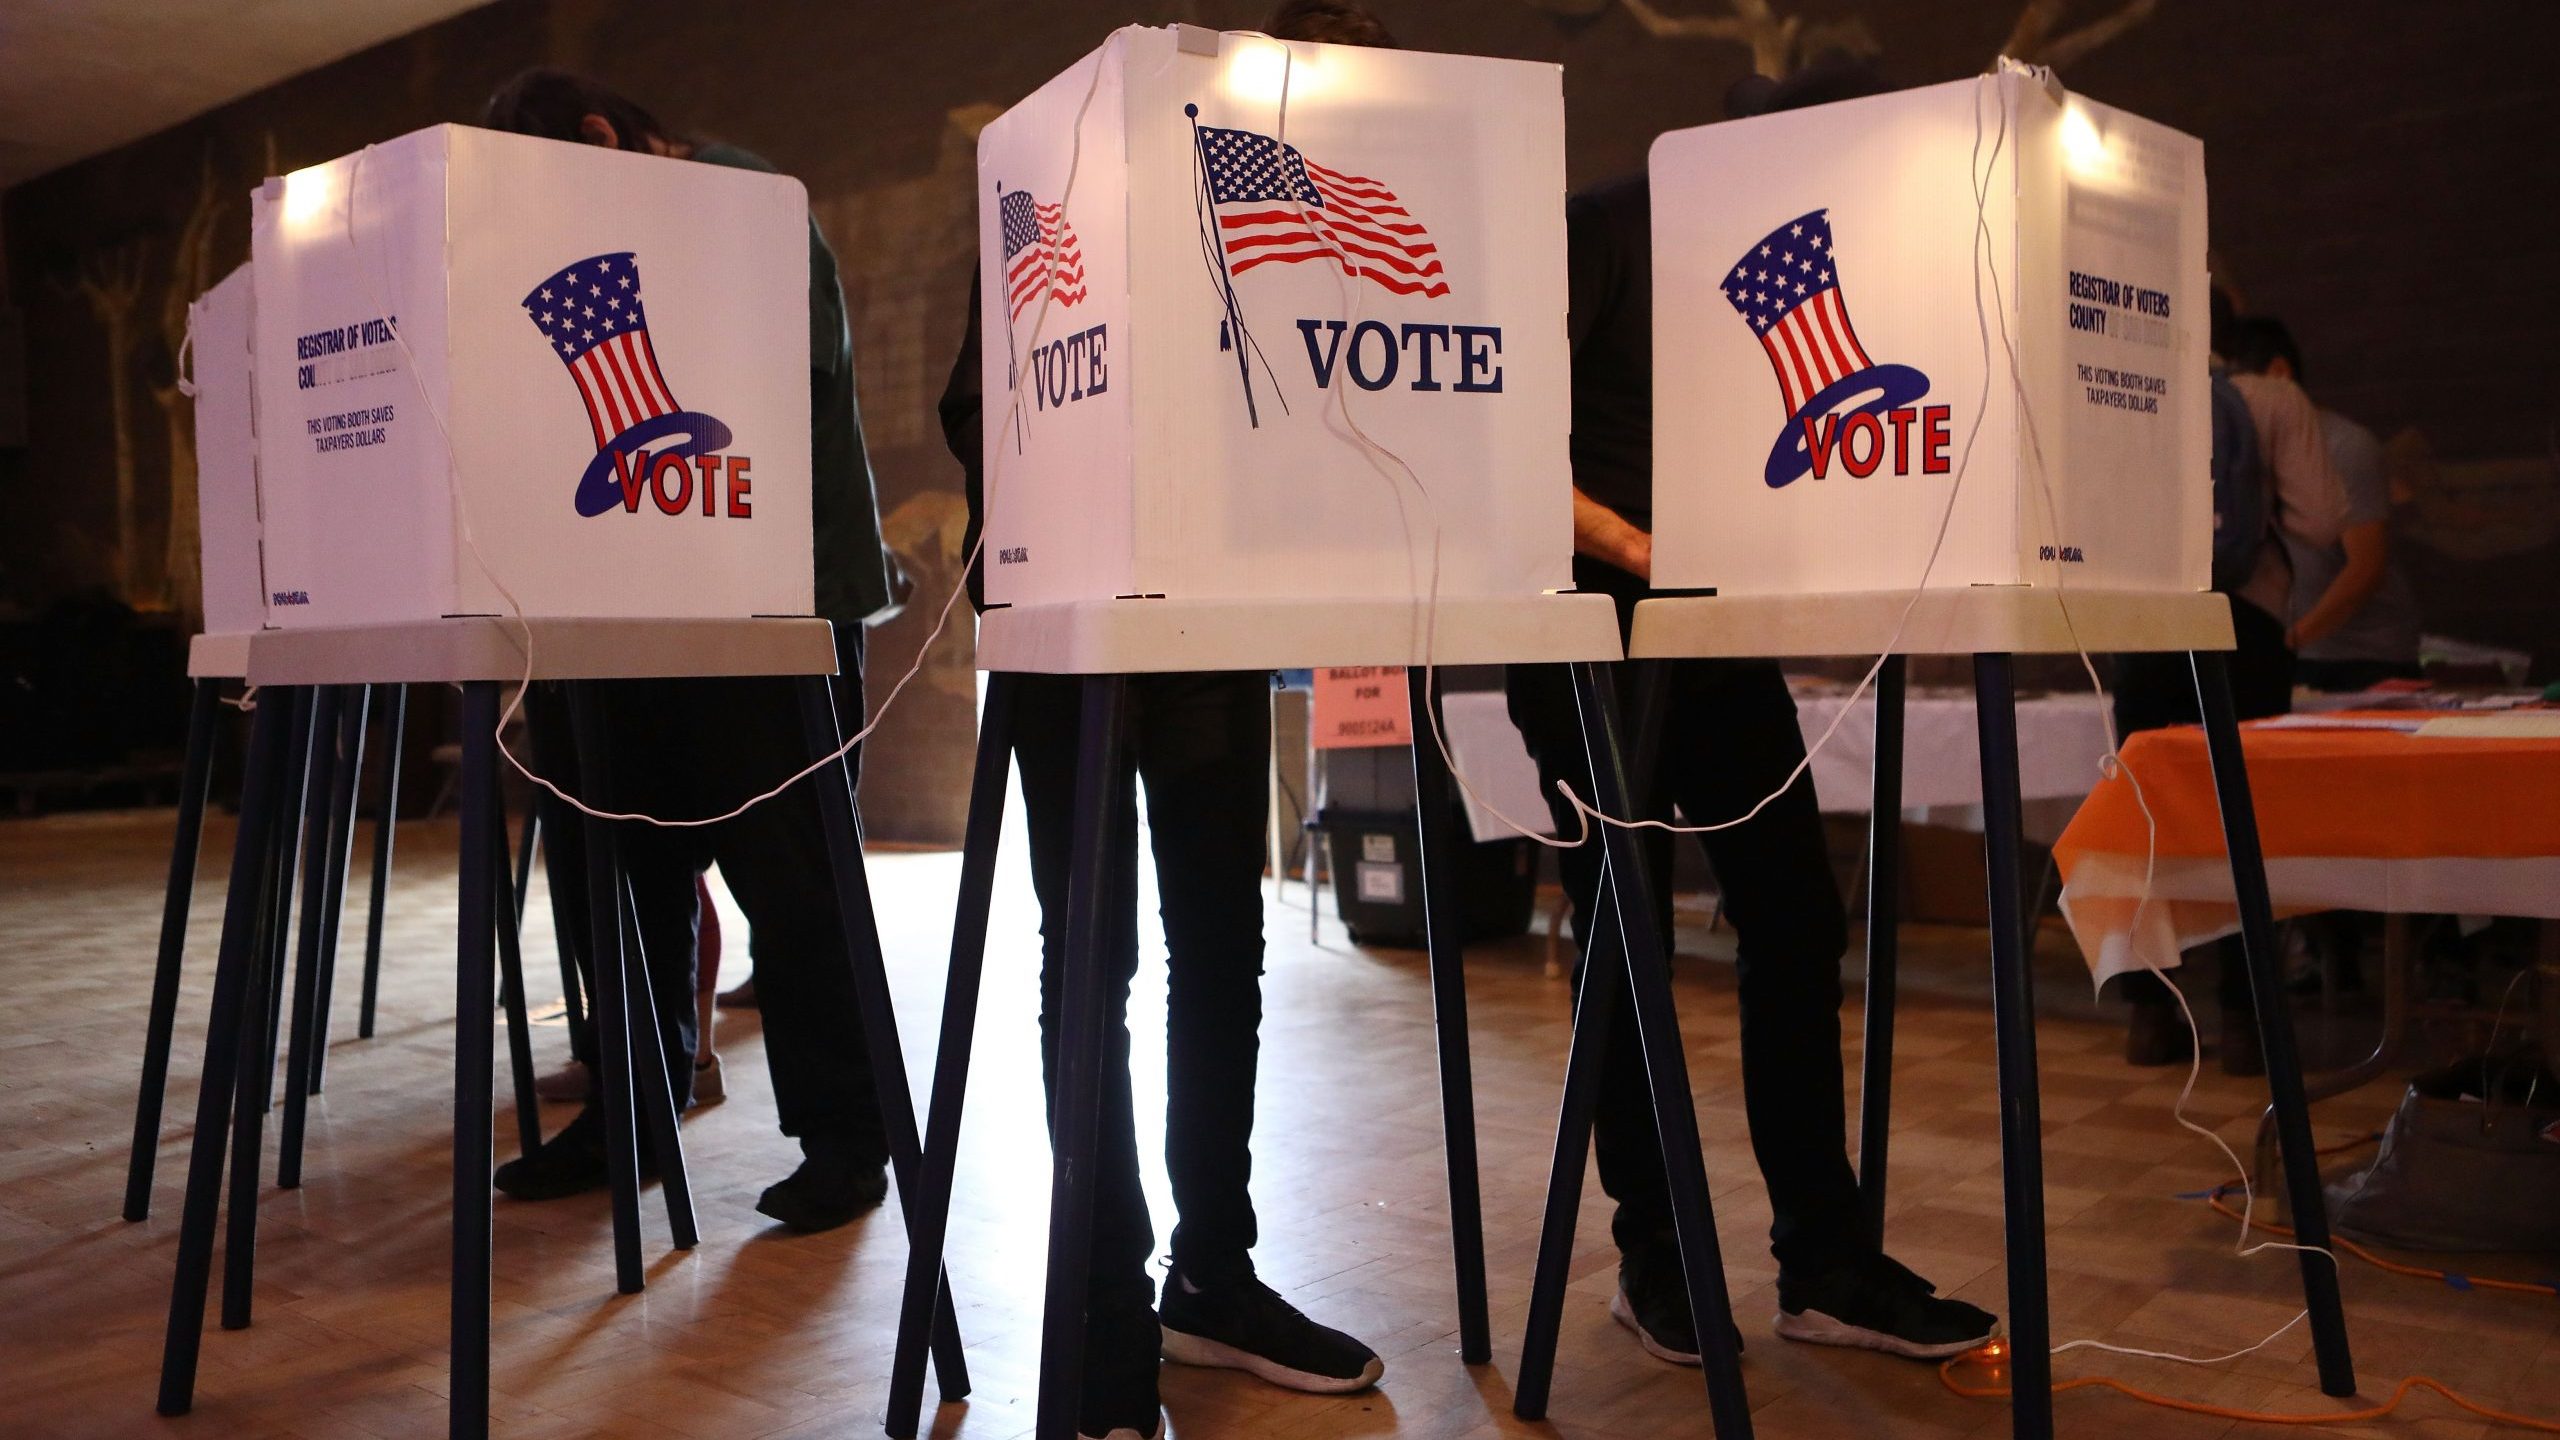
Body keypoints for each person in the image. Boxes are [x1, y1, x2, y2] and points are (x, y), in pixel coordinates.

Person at [933, 7, 1393, 1435]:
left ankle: (1213, 1277)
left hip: (1214, 625)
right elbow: (977, 404)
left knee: (1225, 947)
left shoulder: (1308, 197)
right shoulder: (1086, 162)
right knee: (1096, 967)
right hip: (1077, 628)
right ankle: (1102, 1317)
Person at [1502, 60, 2000, 1369]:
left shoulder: (1787, 262)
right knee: (1630, 946)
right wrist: (1635, 544)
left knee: (1795, 915)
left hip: (1709, 637)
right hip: (1583, 631)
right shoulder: (1605, 226)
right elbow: (1492, 438)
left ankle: (1823, 1265)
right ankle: (1652, 1260)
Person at [481, 69, 902, 1232]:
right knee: (615, 873)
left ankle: (848, 1139)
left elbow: (777, 383)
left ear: (603, 139)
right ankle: (632, 1115)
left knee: (796, 890)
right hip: (620, 598)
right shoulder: (632, 218)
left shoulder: (738, 197)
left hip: (763, 604)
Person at [2112, 296, 2352, 1072]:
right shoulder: (2275, 399)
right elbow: (2321, 521)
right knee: (2245, 821)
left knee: (2149, 822)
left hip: (2142, 629)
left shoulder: (2116, 390)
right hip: (2243, 626)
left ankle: (2152, 1016)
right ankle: (2249, 1025)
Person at [2221, 318, 2422, 691]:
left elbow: (2366, 568)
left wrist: (2290, 639)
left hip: (2366, 659)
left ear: (2279, 373)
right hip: (2302, 653)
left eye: (2242, 388)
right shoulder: (2245, 446)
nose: (2233, 401)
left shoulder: (2347, 447)